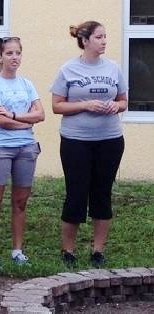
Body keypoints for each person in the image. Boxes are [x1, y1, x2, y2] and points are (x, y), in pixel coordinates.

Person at [50, 21, 127, 268]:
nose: (104, 41)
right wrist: (85, 105)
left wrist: (116, 105)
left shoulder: (113, 68)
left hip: (110, 140)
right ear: (85, 41)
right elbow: (57, 106)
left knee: (102, 193)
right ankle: (68, 251)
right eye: (98, 37)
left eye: (105, 36)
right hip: (76, 141)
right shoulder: (68, 69)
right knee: (76, 194)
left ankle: (98, 251)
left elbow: (124, 101)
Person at [0, 37, 45, 271]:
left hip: (26, 148)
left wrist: (14, 115)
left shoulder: (27, 84)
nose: (14, 57)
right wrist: (26, 121)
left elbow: (40, 114)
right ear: (0, 57)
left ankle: (17, 251)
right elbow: (0, 121)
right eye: (9, 53)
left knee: (20, 201)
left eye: (18, 53)